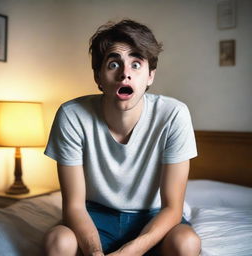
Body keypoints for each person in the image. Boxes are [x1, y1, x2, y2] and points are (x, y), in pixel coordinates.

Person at [44, 19, 201, 256]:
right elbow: (74, 206)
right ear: (98, 77)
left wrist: (128, 252)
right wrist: (95, 252)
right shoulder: (72, 115)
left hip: (154, 217)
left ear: (150, 76)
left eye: (136, 64)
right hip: (94, 215)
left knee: (187, 243)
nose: (125, 74)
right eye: (114, 63)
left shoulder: (173, 115)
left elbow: (172, 207)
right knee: (58, 241)